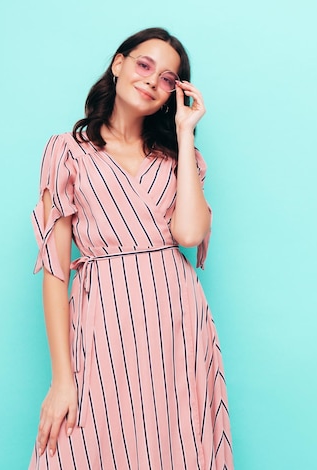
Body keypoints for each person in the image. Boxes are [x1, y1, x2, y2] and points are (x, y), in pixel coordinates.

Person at [28, 27, 233, 469]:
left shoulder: (178, 158)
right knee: (85, 445)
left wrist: (184, 132)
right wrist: (62, 379)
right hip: (102, 321)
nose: (151, 80)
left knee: (177, 444)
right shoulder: (67, 152)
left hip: (177, 325)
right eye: (144, 65)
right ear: (118, 64)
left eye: (166, 78)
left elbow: (190, 235)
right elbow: (55, 271)